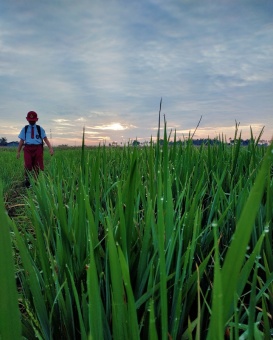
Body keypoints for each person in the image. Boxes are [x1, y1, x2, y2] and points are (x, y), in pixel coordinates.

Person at [17, 111, 54, 187]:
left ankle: (35, 182)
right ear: (27, 120)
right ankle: (27, 179)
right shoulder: (25, 129)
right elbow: (21, 141)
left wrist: (50, 148)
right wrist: (18, 152)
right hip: (28, 148)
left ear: (36, 120)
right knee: (28, 165)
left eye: (33, 120)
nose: (31, 122)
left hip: (38, 148)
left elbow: (45, 139)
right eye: (30, 121)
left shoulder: (40, 129)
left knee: (37, 166)